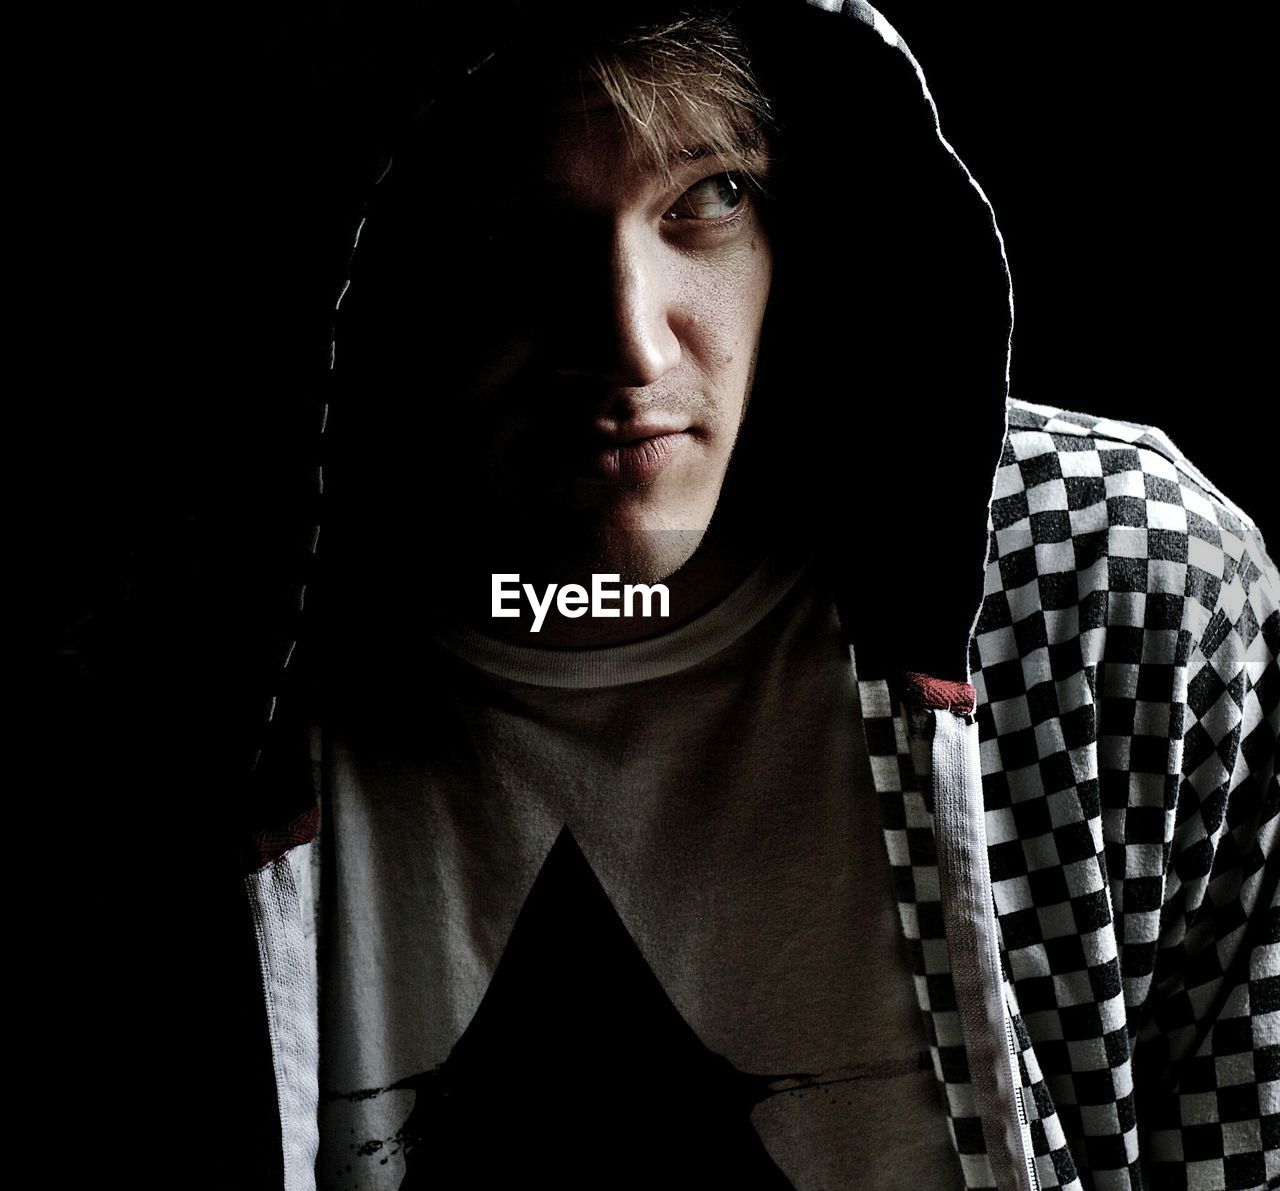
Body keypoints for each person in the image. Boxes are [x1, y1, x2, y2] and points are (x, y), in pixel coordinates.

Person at [199, 2, 1276, 1188]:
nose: (630, 345)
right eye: (513, 225)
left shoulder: (1104, 584)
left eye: (705, 199)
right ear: (375, 261)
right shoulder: (184, 680)